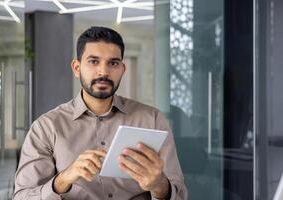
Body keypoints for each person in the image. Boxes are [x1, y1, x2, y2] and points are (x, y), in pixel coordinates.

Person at [13, 26, 187, 200]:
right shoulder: (46, 127)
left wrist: (159, 186)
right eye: (93, 61)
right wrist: (63, 179)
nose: (103, 71)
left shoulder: (153, 120)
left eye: (113, 63)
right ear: (76, 68)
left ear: (122, 70)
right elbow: (22, 197)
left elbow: (180, 195)